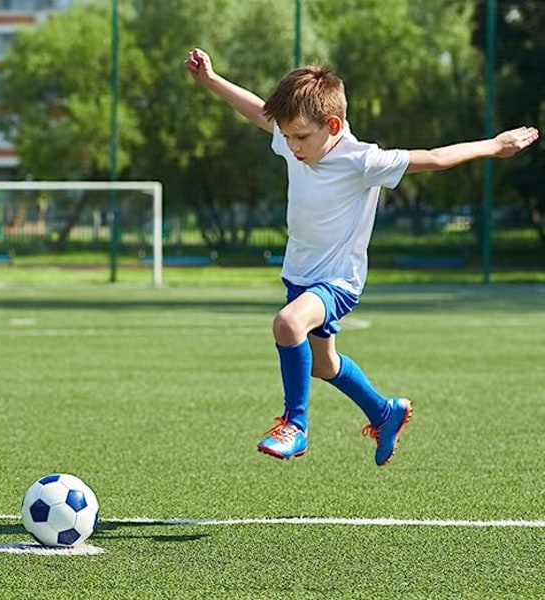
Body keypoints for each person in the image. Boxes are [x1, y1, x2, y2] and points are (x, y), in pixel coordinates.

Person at [185, 47, 539, 466]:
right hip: (299, 275)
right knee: (324, 364)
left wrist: (495, 146)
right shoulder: (296, 137)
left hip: (338, 281)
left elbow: (437, 158)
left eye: (300, 137)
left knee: (287, 323)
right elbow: (260, 113)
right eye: (287, 135)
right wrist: (211, 80)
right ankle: (385, 413)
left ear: (332, 125)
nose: (291, 145)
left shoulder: (363, 161)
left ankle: (295, 425)